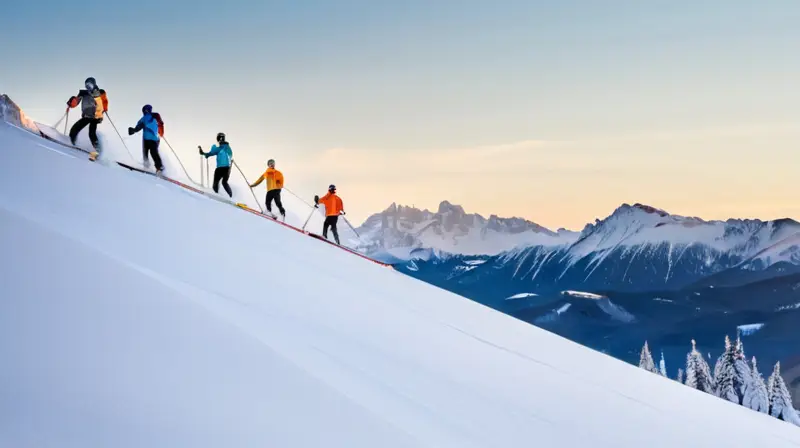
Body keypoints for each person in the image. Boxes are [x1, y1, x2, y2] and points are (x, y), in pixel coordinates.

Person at [66, 77, 108, 161]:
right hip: (86, 115)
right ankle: (71, 142)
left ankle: (98, 150)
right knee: (75, 128)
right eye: (87, 85)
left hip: (95, 115)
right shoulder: (83, 93)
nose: (88, 87)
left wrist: (105, 109)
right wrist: (71, 103)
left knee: (91, 132)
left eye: (90, 85)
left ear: (94, 84)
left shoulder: (100, 92)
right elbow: (76, 101)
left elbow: (104, 101)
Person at [128, 104, 164, 174]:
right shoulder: (155, 117)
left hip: (148, 139)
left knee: (146, 153)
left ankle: (148, 167)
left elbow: (140, 125)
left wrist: (134, 130)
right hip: (155, 139)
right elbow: (159, 126)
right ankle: (159, 167)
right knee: (153, 152)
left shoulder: (147, 117)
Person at [198, 132, 233, 197]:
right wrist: (202, 153)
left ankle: (218, 195)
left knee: (218, 183)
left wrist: (203, 153)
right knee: (224, 182)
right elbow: (210, 153)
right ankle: (230, 196)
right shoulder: (224, 148)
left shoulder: (224, 148)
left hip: (221, 169)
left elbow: (229, 154)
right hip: (227, 169)